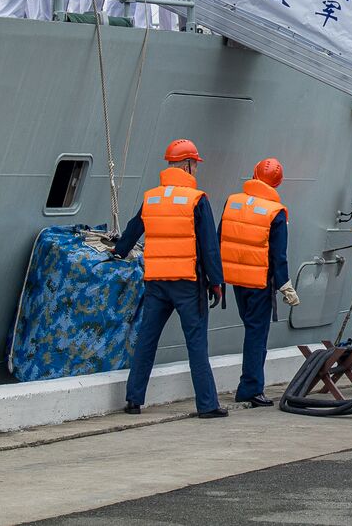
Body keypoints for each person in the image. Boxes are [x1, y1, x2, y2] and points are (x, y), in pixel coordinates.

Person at [112, 139, 227, 418]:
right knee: (196, 342)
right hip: (188, 283)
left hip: (156, 282)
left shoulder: (152, 197)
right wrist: (216, 282)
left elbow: (132, 230)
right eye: (195, 165)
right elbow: (209, 245)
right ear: (187, 165)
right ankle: (207, 405)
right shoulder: (197, 199)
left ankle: (134, 400)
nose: (196, 170)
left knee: (147, 340)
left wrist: (118, 251)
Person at [220, 157, 300, 408]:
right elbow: (279, 255)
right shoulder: (275, 212)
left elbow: (220, 237)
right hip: (259, 282)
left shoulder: (233, 202)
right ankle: (251, 388)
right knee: (256, 334)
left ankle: (250, 384)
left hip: (235, 280)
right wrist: (285, 285)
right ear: (278, 183)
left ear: (253, 175)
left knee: (250, 329)